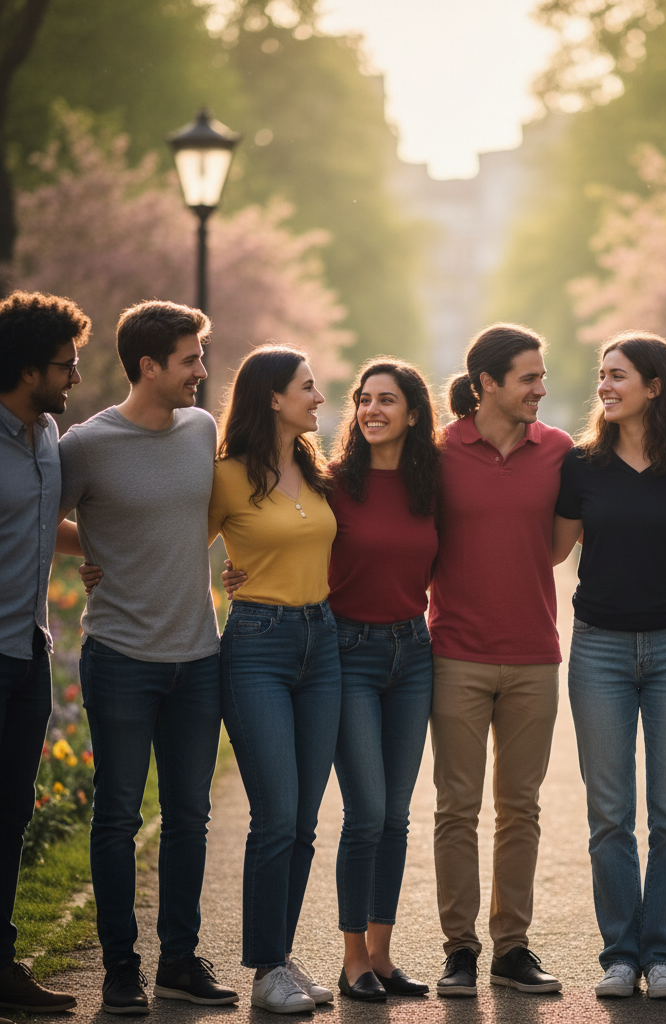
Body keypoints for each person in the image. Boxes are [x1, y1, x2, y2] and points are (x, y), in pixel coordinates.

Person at [59, 300, 237, 1014]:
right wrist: (89, 551)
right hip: (122, 659)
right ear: (149, 366)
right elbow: (43, 512)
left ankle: (179, 962)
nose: (201, 371)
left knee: (190, 817)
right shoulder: (87, 444)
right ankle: (120, 969)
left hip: (198, 657)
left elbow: (216, 517)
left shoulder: (202, 429)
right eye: (191, 359)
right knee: (118, 818)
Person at [552, 332, 666, 1000]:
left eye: (618, 374)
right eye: (602, 375)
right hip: (598, 647)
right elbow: (550, 551)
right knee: (610, 814)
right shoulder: (582, 464)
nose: (605, 385)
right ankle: (621, 955)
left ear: (656, 386)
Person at [430, 323, 570, 997]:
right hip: (454, 653)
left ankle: (511, 948)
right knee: (456, 806)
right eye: (529, 378)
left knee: (521, 807)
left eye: (541, 377)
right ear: (486, 383)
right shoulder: (437, 451)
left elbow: (558, 548)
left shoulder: (559, 452)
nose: (541, 389)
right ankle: (459, 948)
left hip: (535, 656)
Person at [209, 345, 342, 1013]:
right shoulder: (225, 476)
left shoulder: (316, 472)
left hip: (323, 647)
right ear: (273, 398)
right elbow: (175, 549)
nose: (319, 398)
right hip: (257, 645)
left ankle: (282, 959)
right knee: (276, 816)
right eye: (308, 388)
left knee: (306, 821)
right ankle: (264, 971)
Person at [329, 358, 441, 1001]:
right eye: (364, 399)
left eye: (387, 400)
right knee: (366, 810)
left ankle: (381, 954)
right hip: (348, 653)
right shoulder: (335, 483)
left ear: (414, 413)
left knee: (396, 815)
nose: (372, 409)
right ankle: (351, 960)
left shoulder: (431, 487)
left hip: (413, 651)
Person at [0, 291, 89, 1016]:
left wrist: (112, 550)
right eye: (66, 366)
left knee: (10, 812)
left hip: (28, 649)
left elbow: (41, 523)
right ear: (27, 367)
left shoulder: (46, 433)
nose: (75, 380)